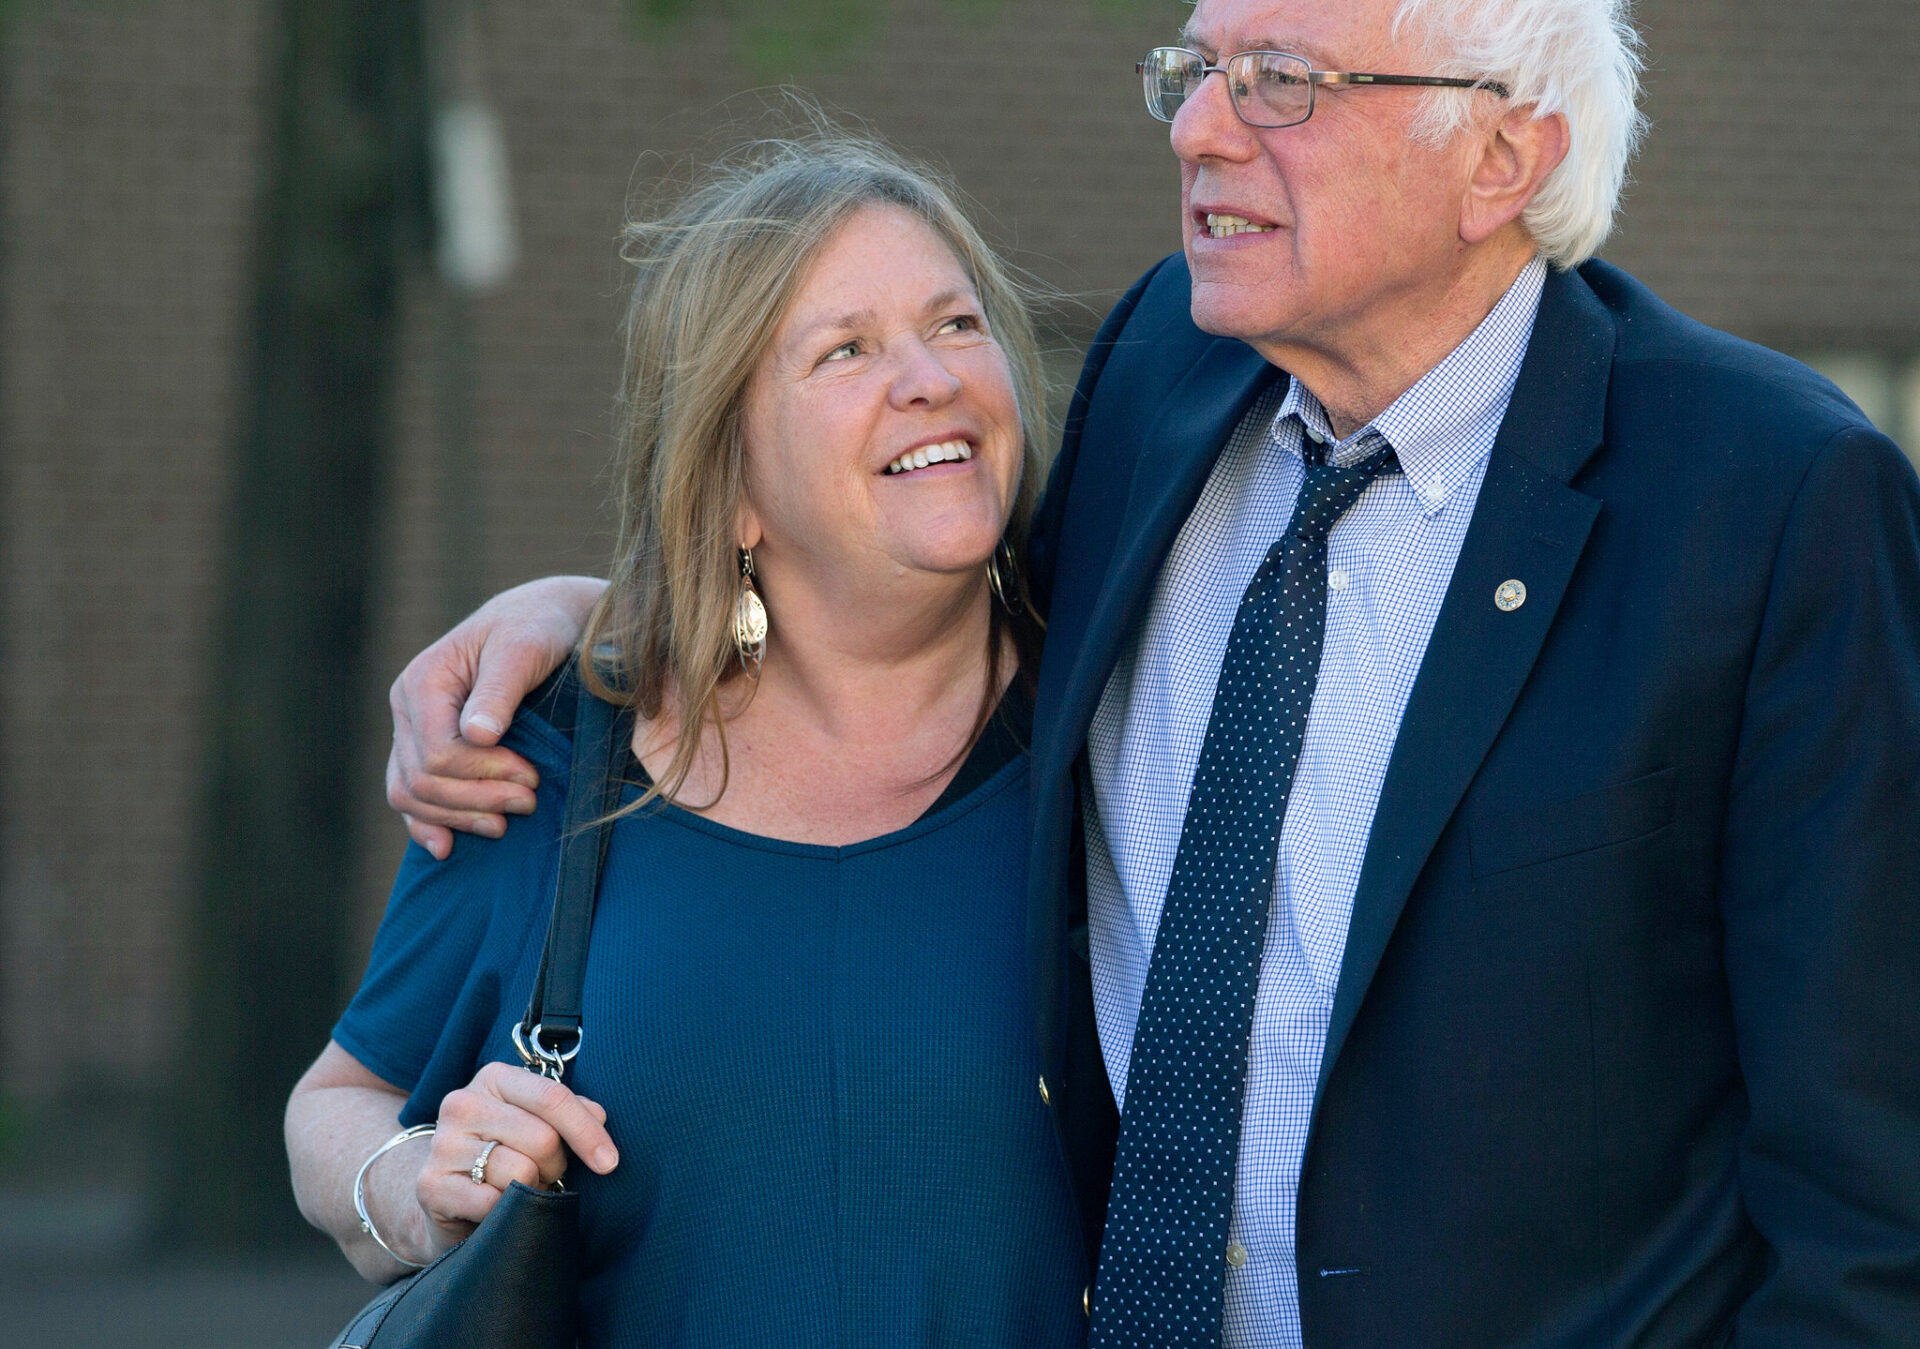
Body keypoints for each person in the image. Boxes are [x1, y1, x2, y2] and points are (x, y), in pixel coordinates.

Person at [387, 0, 1920, 1344]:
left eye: (1281, 80)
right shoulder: (1161, 377)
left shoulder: (1771, 500)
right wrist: (606, 614)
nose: (1197, 128)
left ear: (1501, 158)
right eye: (1194, 68)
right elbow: (887, 576)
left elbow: (1871, 1186)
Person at [287, 134, 1095, 1346]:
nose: (930, 376)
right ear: (732, 487)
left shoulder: (1126, 724)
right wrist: (412, 1182)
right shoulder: (551, 757)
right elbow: (336, 1098)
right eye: (847, 350)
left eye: (958, 324)